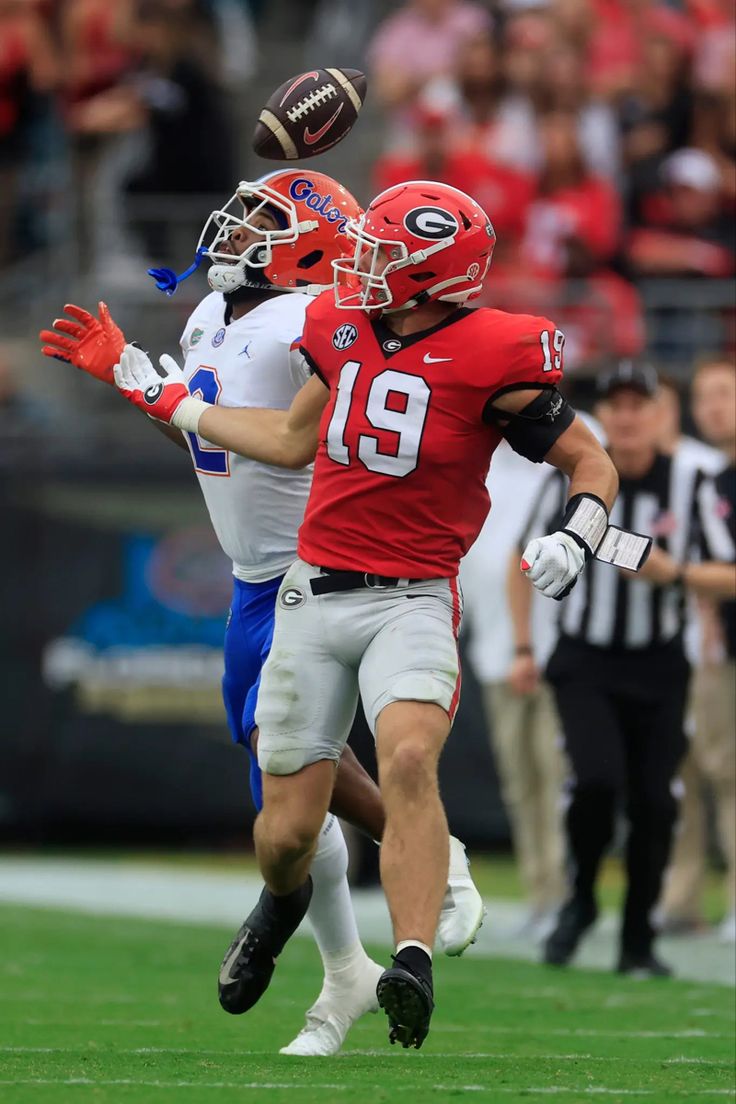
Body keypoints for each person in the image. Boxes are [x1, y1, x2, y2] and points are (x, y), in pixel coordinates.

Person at [103, 179, 625, 1048]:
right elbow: (285, 439)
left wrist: (581, 534)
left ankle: (409, 961)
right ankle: (286, 907)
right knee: (285, 836)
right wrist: (174, 403)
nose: (363, 264)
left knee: (410, 757)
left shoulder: (497, 350)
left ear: (435, 276)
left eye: (387, 253)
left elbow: (589, 460)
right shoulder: (334, 328)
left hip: (415, 593)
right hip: (312, 590)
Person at [39, 168, 484, 1056]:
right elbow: (207, 431)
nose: (237, 228)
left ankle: (419, 866)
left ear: (312, 247)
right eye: (244, 212)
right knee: (280, 798)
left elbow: (290, 442)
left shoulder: (310, 320)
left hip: (320, 568)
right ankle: (349, 959)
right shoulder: (216, 313)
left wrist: (161, 390)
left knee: (295, 788)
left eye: (262, 218)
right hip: (253, 576)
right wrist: (138, 383)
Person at [513, 360, 725, 977]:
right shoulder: (571, 477)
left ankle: (638, 939)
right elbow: (517, 560)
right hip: (585, 659)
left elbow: (728, 572)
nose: (628, 418)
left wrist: (675, 574)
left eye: (641, 405)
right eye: (617, 406)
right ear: (602, 415)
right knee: (598, 781)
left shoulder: (694, 480)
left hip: (661, 662)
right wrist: (525, 645)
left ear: (663, 414)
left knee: (657, 803)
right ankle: (579, 901)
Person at [460, 442, 566, 940]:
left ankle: (567, 895)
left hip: (557, 653)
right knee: (522, 784)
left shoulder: (569, 448)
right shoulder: (471, 459)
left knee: (559, 778)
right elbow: (466, 563)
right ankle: (542, 894)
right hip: (496, 652)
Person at [654, 357, 736, 942]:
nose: (712, 407)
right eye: (704, 395)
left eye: (725, 394)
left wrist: (676, 574)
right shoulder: (715, 481)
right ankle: (699, 901)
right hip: (722, 651)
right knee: (718, 773)